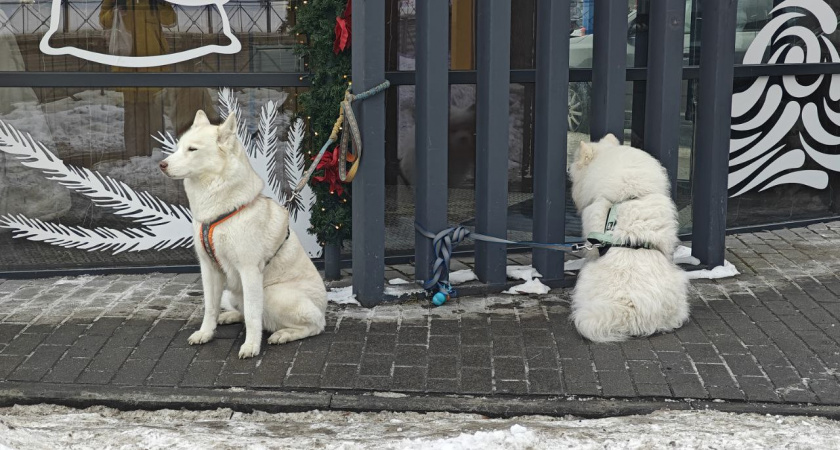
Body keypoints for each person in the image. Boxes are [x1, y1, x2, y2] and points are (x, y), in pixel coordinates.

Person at [100, 0, 176, 158]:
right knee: (133, 111)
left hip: (153, 63)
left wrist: (161, 3)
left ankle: (155, 152)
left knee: (154, 111)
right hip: (128, 64)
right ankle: (134, 154)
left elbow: (170, 20)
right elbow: (103, 20)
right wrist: (115, 13)